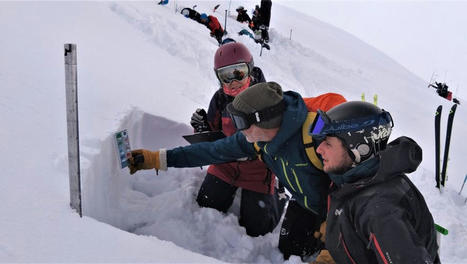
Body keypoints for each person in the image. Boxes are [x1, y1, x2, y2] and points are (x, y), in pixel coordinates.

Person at [128, 82, 346, 260]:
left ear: (265, 120)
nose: (238, 129)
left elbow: (352, 186)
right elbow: (210, 151)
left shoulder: (316, 137)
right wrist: (157, 159)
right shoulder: (256, 140)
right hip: (304, 201)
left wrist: (336, 229)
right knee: (291, 250)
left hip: (340, 206)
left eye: (242, 122)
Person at [311, 101, 440, 263]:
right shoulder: (353, 178)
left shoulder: (380, 209)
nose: (319, 149)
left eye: (328, 143)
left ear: (359, 150)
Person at [189, 42, 287, 237]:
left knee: (257, 229)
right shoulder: (219, 100)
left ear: (249, 69)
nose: (233, 81)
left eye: (239, 73)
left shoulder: (268, 99)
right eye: (226, 75)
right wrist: (201, 128)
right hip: (226, 164)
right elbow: (213, 134)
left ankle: (279, 195)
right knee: (206, 205)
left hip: (258, 168)